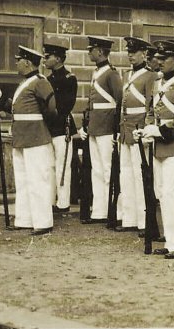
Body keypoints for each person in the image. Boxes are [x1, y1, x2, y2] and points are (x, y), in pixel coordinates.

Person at [137, 40, 174, 258]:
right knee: (163, 193)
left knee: (173, 192)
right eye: (158, 58)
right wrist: (146, 129)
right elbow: (153, 110)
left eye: (164, 58)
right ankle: (172, 242)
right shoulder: (157, 82)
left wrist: (162, 131)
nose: (158, 61)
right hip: (159, 147)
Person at [0, 46, 57, 235]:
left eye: (18, 60)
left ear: (27, 62)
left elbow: (51, 109)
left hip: (36, 138)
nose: (16, 63)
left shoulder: (40, 82)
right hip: (21, 138)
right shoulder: (25, 83)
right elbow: (16, 108)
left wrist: (45, 131)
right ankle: (25, 219)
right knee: (23, 181)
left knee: (37, 180)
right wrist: (1, 99)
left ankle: (43, 222)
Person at [78, 36, 122, 224]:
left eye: (92, 50)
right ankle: (99, 211)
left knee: (107, 170)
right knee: (97, 170)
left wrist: (117, 127)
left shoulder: (111, 74)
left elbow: (120, 101)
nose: (89, 53)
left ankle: (113, 211)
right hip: (95, 127)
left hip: (106, 126)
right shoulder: (96, 73)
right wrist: (85, 125)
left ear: (101, 51)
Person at [117, 37, 155, 234]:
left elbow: (151, 106)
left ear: (144, 54)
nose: (130, 55)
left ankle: (144, 221)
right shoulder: (126, 75)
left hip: (139, 129)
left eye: (135, 52)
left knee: (140, 177)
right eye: (129, 51)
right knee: (126, 176)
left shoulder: (151, 76)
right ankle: (129, 218)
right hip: (125, 129)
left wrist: (146, 129)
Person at [42, 42, 78, 214]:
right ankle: (49, 201)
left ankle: (63, 203)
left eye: (47, 57)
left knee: (63, 166)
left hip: (62, 127)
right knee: (49, 166)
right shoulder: (46, 80)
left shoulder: (69, 79)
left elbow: (66, 105)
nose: (44, 59)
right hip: (48, 128)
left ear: (57, 58)